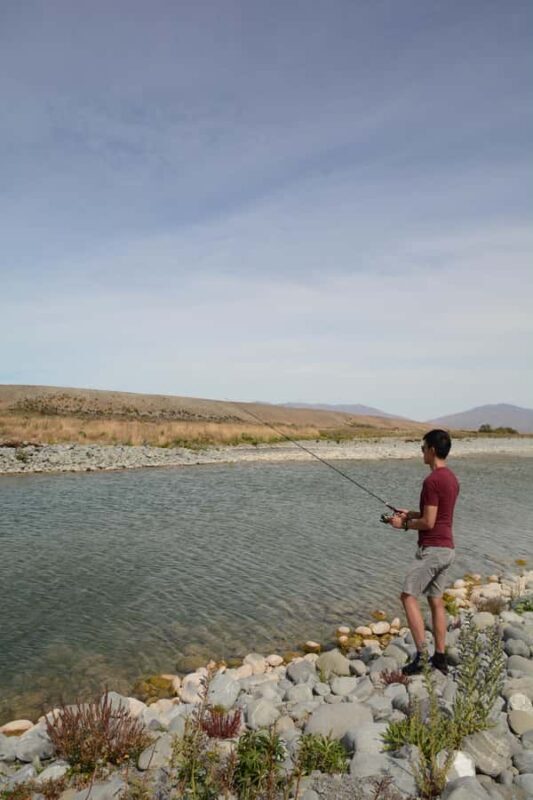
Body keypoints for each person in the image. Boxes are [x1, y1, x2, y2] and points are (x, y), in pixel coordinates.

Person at [386, 429, 459, 675]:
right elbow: (438, 515)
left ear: (432, 450)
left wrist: (402, 525)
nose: (421, 451)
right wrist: (410, 514)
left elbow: (429, 523)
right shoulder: (451, 478)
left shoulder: (432, 481)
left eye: (423, 447)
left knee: (408, 596)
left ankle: (423, 658)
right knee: (435, 601)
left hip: (433, 550)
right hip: (448, 548)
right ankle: (440, 656)